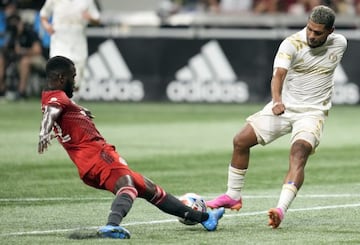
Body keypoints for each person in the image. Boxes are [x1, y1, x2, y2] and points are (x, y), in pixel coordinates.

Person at [37, 55, 225, 239]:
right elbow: (52, 112)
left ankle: (205, 218)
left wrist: (79, 110)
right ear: (61, 78)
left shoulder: (52, 96)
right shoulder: (57, 97)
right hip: (97, 155)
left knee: (150, 188)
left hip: (87, 162)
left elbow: (58, 107)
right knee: (127, 186)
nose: (75, 81)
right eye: (73, 76)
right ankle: (111, 226)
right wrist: (43, 132)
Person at [206, 5, 347, 229]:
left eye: (318, 32)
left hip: (312, 113)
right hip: (283, 107)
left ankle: (280, 209)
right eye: (310, 29)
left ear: (330, 31)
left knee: (298, 152)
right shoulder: (291, 43)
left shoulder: (340, 43)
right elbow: (278, 75)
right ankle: (233, 195)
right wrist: (277, 100)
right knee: (240, 141)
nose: (311, 35)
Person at [39, 0, 101, 100]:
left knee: (76, 80)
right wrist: (47, 27)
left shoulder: (87, 1)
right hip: (59, 41)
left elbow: (97, 19)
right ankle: (59, 105)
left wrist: (90, 18)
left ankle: (71, 104)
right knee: (59, 74)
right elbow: (43, 15)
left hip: (78, 42)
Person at [0, 13, 44, 100]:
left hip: (36, 59)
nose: (14, 26)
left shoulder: (29, 32)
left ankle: (21, 92)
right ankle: (2, 90)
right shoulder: (11, 34)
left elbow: (38, 50)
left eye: (16, 23)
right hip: (17, 60)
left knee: (25, 61)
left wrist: (23, 51)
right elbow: (7, 51)